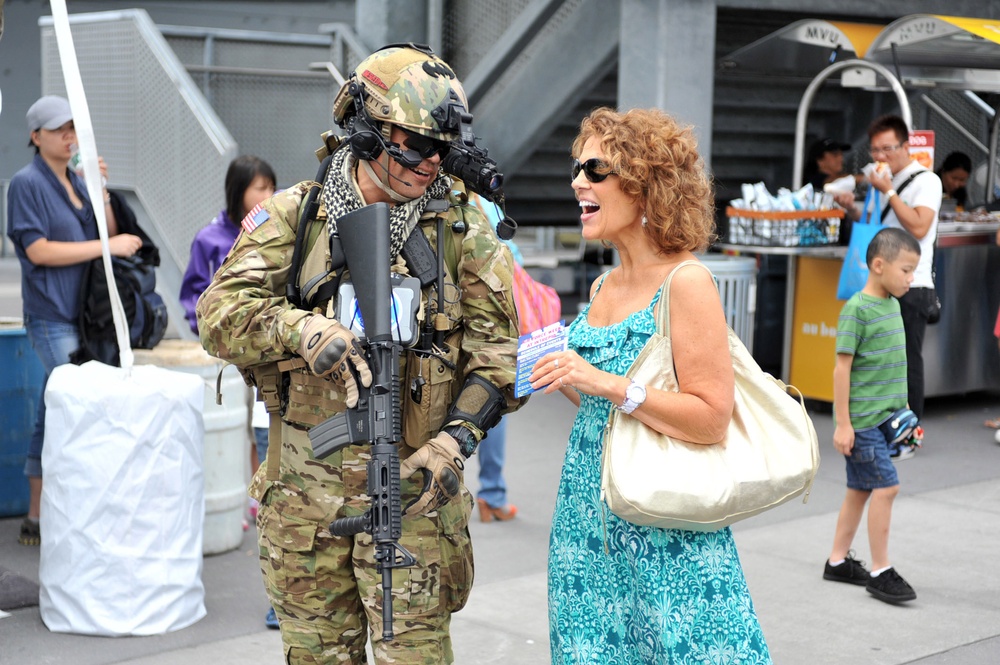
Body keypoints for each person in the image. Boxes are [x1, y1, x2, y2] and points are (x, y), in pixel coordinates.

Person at [196, 44, 524, 663]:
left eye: (441, 147)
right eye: (414, 142)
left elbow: (497, 355)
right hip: (306, 506)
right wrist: (301, 330)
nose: (430, 162)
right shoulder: (299, 216)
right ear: (368, 127)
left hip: (416, 503)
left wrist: (456, 440)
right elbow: (216, 315)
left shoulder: (462, 229)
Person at [530, 107, 770, 663]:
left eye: (595, 169)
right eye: (577, 168)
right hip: (588, 524)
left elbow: (711, 417)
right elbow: (600, 404)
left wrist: (611, 385)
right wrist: (551, 370)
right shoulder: (601, 286)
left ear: (644, 187)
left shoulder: (687, 282)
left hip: (665, 522)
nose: (577, 181)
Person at [6, 96, 143, 546]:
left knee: (54, 409)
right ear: (35, 136)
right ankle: (70, 512)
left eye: (72, 127)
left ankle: (37, 515)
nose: (68, 135)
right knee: (78, 405)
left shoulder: (73, 179)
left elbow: (103, 227)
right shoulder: (26, 184)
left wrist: (98, 187)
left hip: (82, 316)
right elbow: (37, 251)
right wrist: (108, 247)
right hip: (51, 315)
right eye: (58, 128)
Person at [178, 153, 278, 628]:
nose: (266, 196)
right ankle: (247, 505)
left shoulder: (280, 231)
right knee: (233, 440)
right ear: (237, 191)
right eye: (258, 188)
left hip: (270, 370)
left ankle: (280, 592)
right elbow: (195, 299)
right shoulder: (212, 238)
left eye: (270, 187)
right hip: (226, 364)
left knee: (267, 452)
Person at [824, 227, 920, 605]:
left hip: (885, 420)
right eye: (907, 270)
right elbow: (841, 369)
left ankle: (837, 561)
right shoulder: (857, 310)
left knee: (860, 489)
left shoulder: (893, 304)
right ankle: (881, 570)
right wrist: (843, 424)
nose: (911, 280)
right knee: (886, 486)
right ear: (878, 265)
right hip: (862, 423)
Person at [863, 114, 942, 430]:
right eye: (875, 150)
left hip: (913, 285)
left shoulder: (926, 181)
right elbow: (880, 226)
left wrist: (890, 193)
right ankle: (886, 423)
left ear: (906, 146)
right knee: (883, 358)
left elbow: (919, 227)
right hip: (883, 283)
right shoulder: (884, 181)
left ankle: (911, 429)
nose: (881, 157)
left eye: (887, 149)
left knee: (907, 359)